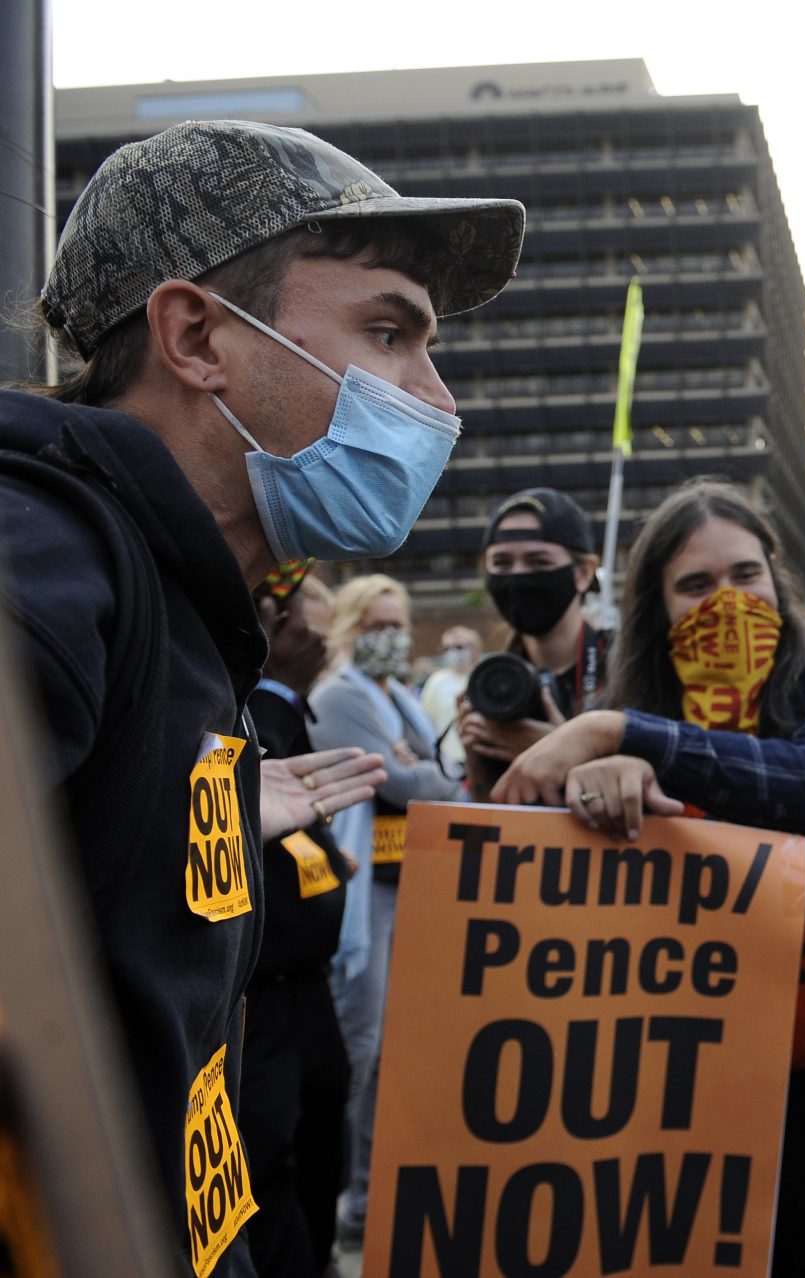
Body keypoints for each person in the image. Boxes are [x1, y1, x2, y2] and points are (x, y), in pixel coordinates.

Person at [0, 117, 518, 1275]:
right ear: (195, 337)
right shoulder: (43, 557)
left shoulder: (184, 600)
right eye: (388, 331)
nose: (434, 396)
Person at [493, 478, 805, 1276]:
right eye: (695, 585)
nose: (726, 600)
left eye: (744, 574)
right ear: (658, 608)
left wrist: (616, 732)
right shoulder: (638, 712)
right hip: (689, 1098)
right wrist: (598, 786)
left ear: (777, 575)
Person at [307, 574, 464, 1250]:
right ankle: (329, 1192)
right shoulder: (343, 695)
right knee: (360, 1047)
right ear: (346, 629)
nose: (388, 637)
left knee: (394, 1050)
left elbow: (439, 775)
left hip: (407, 882)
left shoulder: (397, 695)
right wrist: (424, 773)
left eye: (395, 624)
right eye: (373, 626)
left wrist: (426, 772)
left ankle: (366, 1203)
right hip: (360, 889)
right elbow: (401, 782)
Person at [241, 569, 355, 1278]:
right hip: (257, 999)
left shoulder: (283, 713)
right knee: (267, 1166)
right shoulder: (225, 701)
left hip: (309, 992)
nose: (311, 634)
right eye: (270, 612)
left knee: (322, 1152)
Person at [459, 487, 609, 798]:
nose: (518, 577)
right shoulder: (494, 683)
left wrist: (560, 751)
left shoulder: (627, 666)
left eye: (538, 562)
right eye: (501, 563)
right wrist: (477, 759)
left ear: (583, 573)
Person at [419, 623, 478, 770]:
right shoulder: (437, 681)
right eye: (447, 648)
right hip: (448, 760)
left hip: (479, 757)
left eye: (459, 647)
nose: (453, 652)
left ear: (473, 648)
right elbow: (426, 719)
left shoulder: (481, 677)